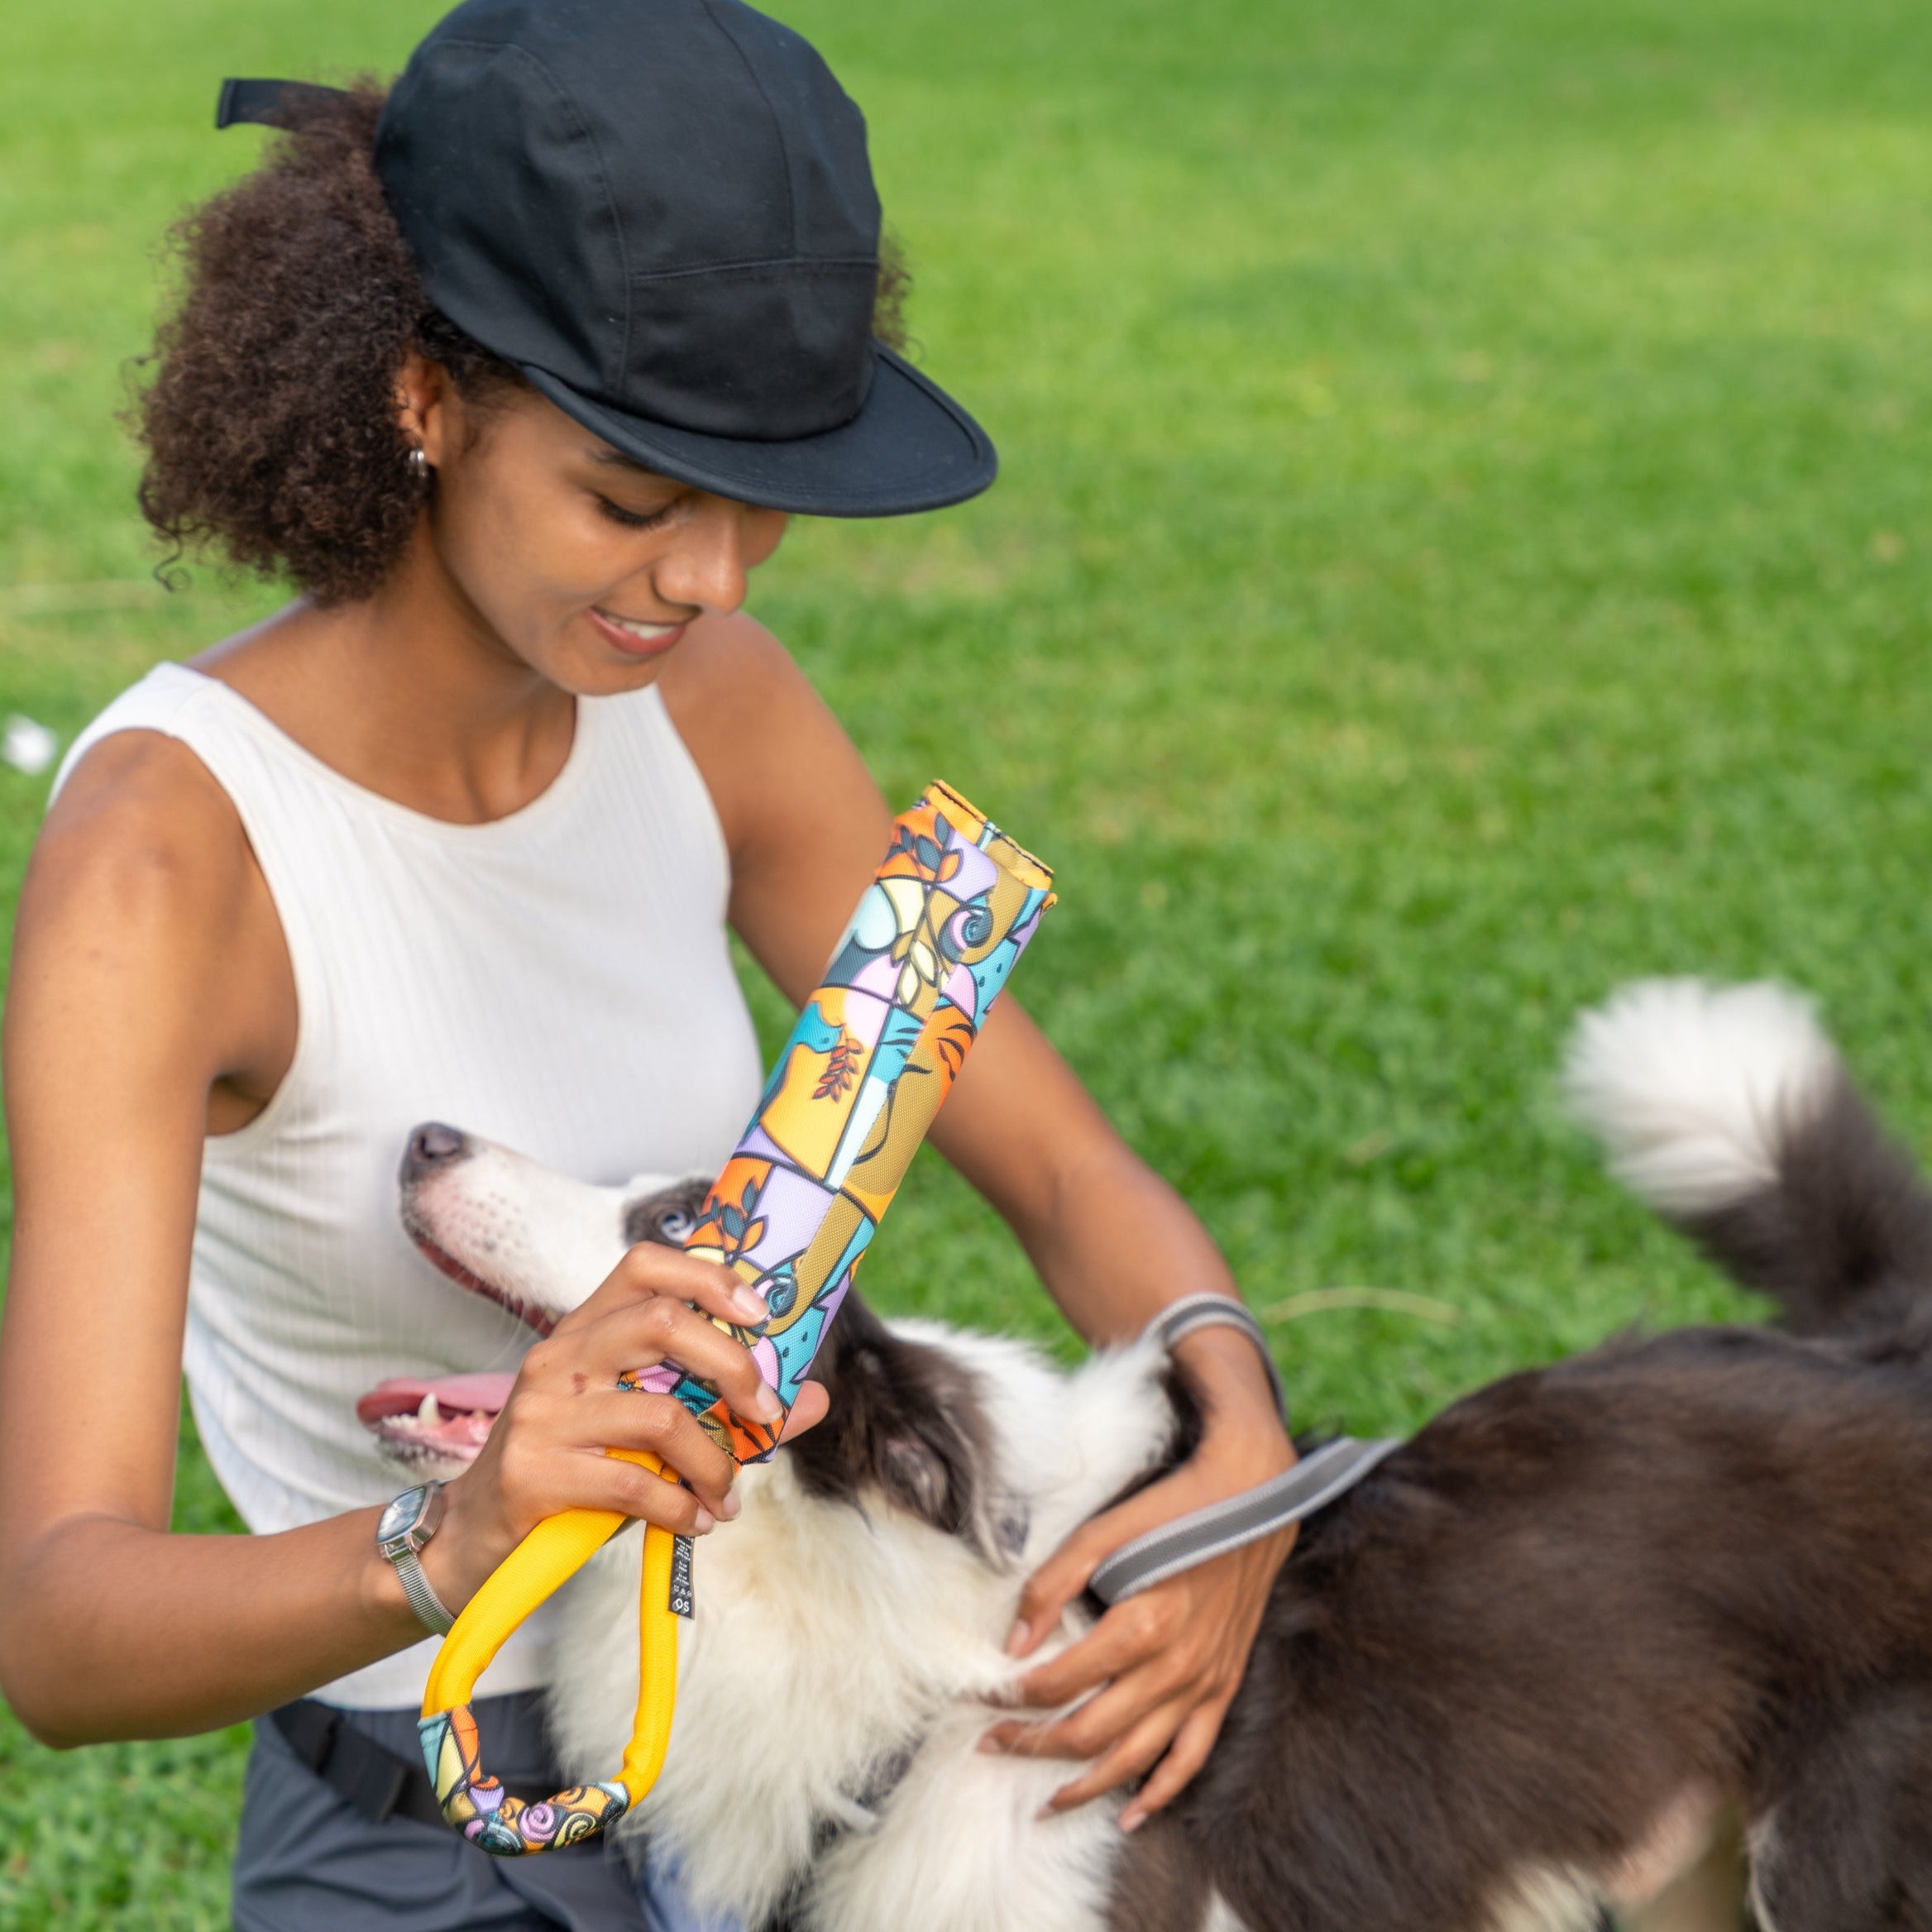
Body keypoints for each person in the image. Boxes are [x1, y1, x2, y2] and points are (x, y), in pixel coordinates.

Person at [0, 2, 1298, 1925]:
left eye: (761, 493)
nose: (709, 578)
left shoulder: (717, 707)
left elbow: (1059, 1161)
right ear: (424, 394)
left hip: (831, 1785)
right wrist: (462, 1525)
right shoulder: (171, 858)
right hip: (417, 1837)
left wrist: (1235, 1446)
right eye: (633, 496)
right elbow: (61, 1625)